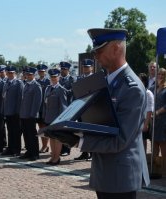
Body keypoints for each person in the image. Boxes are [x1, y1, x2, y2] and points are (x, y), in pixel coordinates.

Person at [64, 28, 150, 199]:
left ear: (116, 48)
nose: (95, 56)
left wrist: (79, 141)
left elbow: (121, 140)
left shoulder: (132, 88)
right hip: (104, 171)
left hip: (121, 176)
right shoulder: (104, 80)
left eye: (99, 50)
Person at [43, 68, 68, 165]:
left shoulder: (61, 90)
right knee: (52, 138)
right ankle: (53, 156)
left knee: (57, 139)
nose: (53, 78)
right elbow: (45, 104)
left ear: (59, 77)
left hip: (57, 118)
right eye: (52, 77)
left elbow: (63, 106)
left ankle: (57, 158)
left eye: (55, 77)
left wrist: (61, 120)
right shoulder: (48, 88)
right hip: (49, 117)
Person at [19, 67, 42, 161]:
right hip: (24, 114)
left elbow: (37, 102)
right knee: (26, 134)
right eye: (27, 74)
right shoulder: (26, 85)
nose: (28, 76)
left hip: (30, 114)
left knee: (32, 134)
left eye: (30, 74)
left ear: (33, 75)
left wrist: (33, 114)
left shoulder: (36, 86)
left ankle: (35, 153)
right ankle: (29, 151)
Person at [74, 59, 95, 161]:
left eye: (87, 67)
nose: (85, 68)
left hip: (91, 108)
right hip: (81, 107)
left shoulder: (95, 78)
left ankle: (92, 152)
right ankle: (84, 152)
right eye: (84, 67)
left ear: (91, 67)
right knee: (82, 131)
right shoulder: (79, 78)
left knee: (90, 131)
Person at [1, 66, 24, 156]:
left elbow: (20, 98)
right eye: (8, 72)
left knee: (16, 131)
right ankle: (10, 148)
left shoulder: (19, 83)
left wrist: (17, 111)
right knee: (10, 131)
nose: (10, 74)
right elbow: (4, 97)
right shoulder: (6, 83)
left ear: (14, 73)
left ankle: (16, 149)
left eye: (12, 73)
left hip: (15, 111)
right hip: (8, 111)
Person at [36, 64, 51, 153]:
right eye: (40, 71)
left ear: (45, 72)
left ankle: (46, 145)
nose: (41, 73)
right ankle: (44, 145)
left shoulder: (48, 81)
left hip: (46, 108)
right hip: (39, 107)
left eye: (42, 71)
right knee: (41, 128)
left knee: (46, 127)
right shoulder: (37, 81)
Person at [138, 73, 154, 152]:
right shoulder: (138, 91)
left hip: (145, 121)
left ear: (145, 82)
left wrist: (146, 124)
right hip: (138, 121)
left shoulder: (148, 93)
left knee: (143, 141)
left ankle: (143, 159)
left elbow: (149, 110)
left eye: (141, 80)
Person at [153, 68, 166, 159]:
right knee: (154, 144)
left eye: (162, 74)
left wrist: (157, 112)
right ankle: (155, 170)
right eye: (159, 74)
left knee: (163, 144)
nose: (160, 76)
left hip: (163, 121)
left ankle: (164, 171)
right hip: (154, 121)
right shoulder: (153, 87)